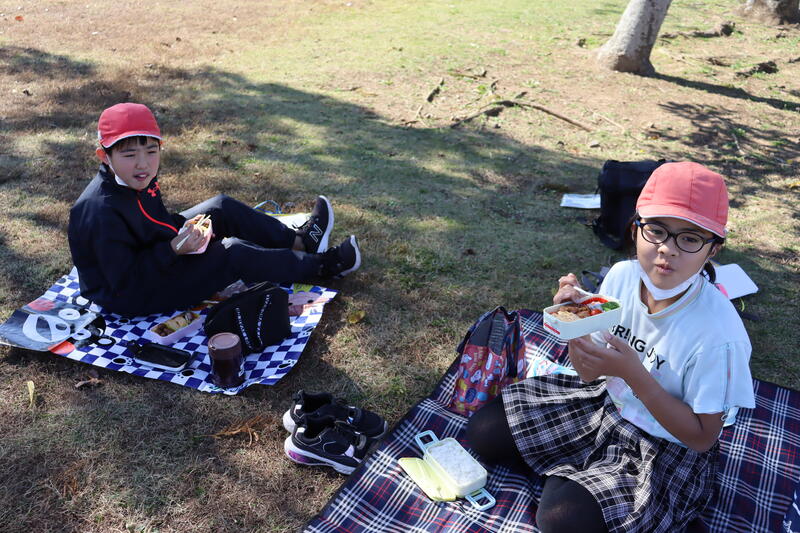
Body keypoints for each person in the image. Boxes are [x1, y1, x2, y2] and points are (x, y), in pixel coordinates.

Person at [466, 162, 755, 533]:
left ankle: (585, 482)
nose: (667, 249)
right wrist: (575, 326)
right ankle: (583, 476)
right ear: (635, 229)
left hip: (665, 445)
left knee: (560, 520)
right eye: (656, 230)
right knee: (484, 432)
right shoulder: (621, 277)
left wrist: (634, 374)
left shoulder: (719, 336)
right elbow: (589, 373)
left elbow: (701, 437)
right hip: (605, 403)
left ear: (712, 249)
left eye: (689, 238)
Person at [68, 102, 361, 317]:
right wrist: (173, 249)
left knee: (220, 207)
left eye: (151, 151)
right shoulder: (99, 212)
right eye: (129, 154)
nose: (143, 164)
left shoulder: (135, 177)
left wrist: (181, 232)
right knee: (232, 253)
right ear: (104, 156)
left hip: (156, 254)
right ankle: (324, 266)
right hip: (132, 296)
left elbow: (152, 224)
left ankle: (300, 242)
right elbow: (126, 282)